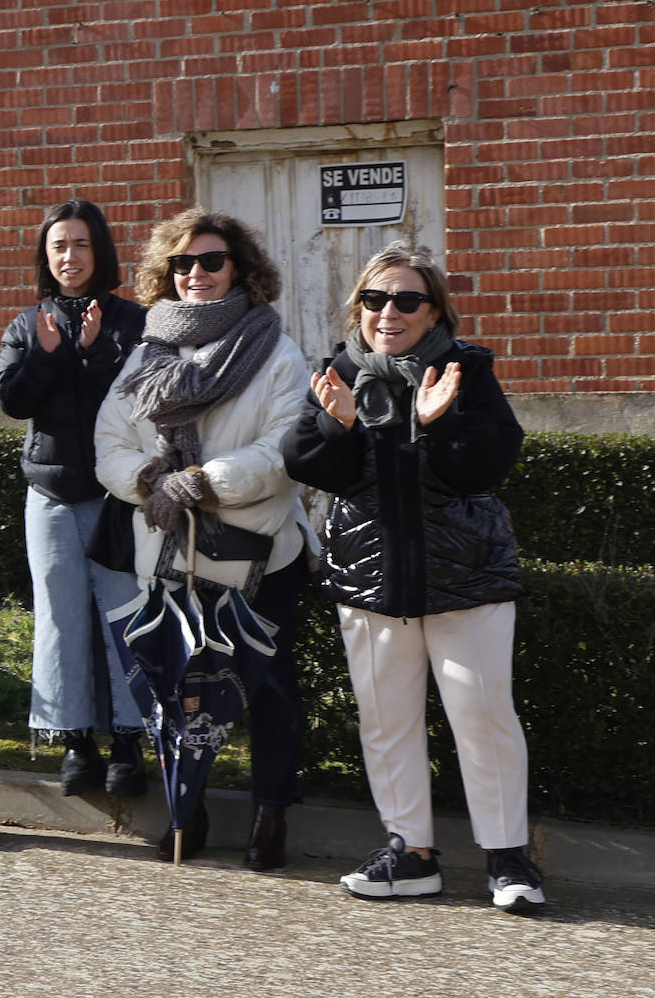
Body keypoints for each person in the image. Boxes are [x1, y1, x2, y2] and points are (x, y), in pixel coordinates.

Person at [281, 241, 545, 912]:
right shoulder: (337, 373)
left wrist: (440, 420)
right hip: (371, 581)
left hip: (466, 578)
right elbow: (306, 461)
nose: (388, 312)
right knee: (385, 719)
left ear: (433, 311)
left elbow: (488, 465)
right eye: (374, 299)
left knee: (482, 714)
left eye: (406, 300)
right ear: (358, 308)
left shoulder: (466, 370)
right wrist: (339, 428)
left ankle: (509, 858)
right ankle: (411, 852)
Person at [94, 206, 313, 868]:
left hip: (260, 554)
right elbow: (107, 443)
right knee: (176, 686)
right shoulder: (145, 350)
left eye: (211, 261)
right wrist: (150, 476)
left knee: (268, 688)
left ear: (241, 269)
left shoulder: (274, 348)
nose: (196, 274)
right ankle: (189, 808)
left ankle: (270, 814)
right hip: (168, 552)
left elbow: (284, 449)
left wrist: (202, 481)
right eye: (182, 263)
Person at [0, 198, 148, 797]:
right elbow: (13, 401)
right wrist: (51, 355)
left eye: (80, 244)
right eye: (58, 246)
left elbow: (140, 401)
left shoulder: (132, 322)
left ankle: (131, 744)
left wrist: (93, 354)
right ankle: (76, 740)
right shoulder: (27, 325)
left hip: (117, 498)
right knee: (60, 619)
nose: (69, 256)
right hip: (51, 496)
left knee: (125, 616)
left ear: (99, 251)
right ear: (45, 256)